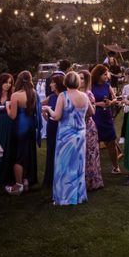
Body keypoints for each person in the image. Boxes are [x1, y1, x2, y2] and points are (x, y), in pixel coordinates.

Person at [44, 72, 90, 205]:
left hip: (66, 135)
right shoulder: (85, 96)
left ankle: (65, 197)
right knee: (78, 165)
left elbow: (57, 116)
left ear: (65, 82)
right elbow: (90, 112)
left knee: (64, 166)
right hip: (81, 134)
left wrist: (48, 109)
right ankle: (78, 196)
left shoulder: (63, 96)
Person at [5, 71, 41, 195]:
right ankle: (26, 181)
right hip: (31, 127)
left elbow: (12, 115)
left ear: (19, 80)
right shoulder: (34, 93)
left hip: (19, 127)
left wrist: (7, 107)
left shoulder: (15, 95)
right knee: (28, 154)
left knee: (18, 156)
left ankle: (18, 184)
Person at [90, 65, 121, 174]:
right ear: (98, 75)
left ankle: (116, 166)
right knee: (94, 143)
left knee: (111, 142)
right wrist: (99, 104)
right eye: (104, 74)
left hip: (106, 116)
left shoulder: (107, 85)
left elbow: (115, 98)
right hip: (95, 116)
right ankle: (94, 169)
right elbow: (87, 101)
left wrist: (110, 102)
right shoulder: (91, 86)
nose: (107, 76)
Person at [79, 70, 103, 191]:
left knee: (90, 153)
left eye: (82, 78)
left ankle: (91, 182)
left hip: (88, 127)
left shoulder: (88, 94)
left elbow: (91, 112)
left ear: (87, 80)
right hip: (78, 127)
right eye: (78, 78)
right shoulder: (76, 93)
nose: (80, 80)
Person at [41, 72, 66, 188]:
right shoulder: (51, 97)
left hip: (61, 126)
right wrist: (43, 111)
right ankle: (50, 179)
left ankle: (60, 178)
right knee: (51, 151)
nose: (50, 84)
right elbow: (39, 104)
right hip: (51, 126)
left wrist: (48, 111)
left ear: (57, 84)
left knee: (61, 152)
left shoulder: (64, 96)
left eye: (52, 82)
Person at [0, 73, 15, 185]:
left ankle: (6, 175)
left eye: (10, 83)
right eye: (6, 82)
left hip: (8, 122)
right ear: (1, 82)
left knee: (6, 146)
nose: (8, 85)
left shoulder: (12, 95)